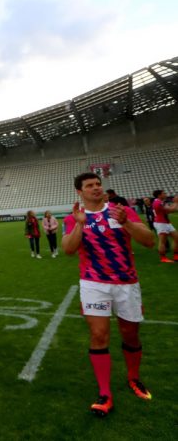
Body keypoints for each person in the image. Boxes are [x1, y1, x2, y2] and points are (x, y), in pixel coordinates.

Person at [62, 173, 154, 417]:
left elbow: (149, 241)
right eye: (89, 185)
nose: (96, 188)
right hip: (93, 284)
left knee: (130, 334)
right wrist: (80, 224)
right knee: (99, 335)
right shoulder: (73, 218)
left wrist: (127, 223)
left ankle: (134, 378)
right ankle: (105, 394)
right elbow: (69, 250)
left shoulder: (120, 211)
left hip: (126, 282)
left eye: (98, 184)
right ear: (79, 192)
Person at [151, 189, 178, 263]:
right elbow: (171, 210)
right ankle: (163, 258)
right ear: (159, 195)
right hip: (161, 223)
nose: (165, 194)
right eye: (164, 193)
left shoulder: (161, 202)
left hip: (166, 222)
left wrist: (174, 203)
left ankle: (176, 256)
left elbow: (169, 210)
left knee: (177, 238)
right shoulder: (158, 202)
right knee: (162, 241)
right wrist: (176, 202)